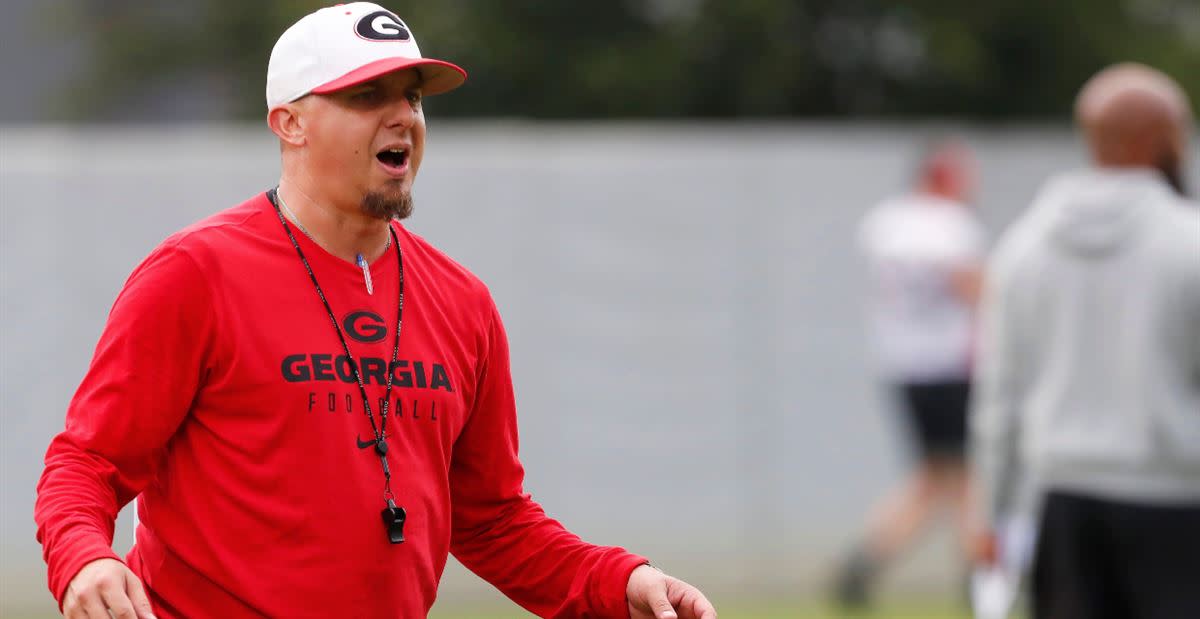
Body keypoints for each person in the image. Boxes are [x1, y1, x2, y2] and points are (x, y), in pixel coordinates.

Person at [33, 4, 718, 618]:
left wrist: (616, 580)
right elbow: (86, 461)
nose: (403, 118)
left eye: (412, 98)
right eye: (367, 96)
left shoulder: (463, 302)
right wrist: (84, 557)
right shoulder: (194, 274)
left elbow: (490, 518)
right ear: (290, 123)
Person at [970, 62, 1200, 619]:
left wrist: (990, 512)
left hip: (1062, 503)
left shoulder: (1023, 248)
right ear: (1161, 137)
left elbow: (1000, 395)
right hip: (1173, 499)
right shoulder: (1188, 243)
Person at [834, 140, 986, 607]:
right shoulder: (952, 225)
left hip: (901, 363)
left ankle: (866, 561)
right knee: (960, 475)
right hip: (947, 363)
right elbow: (971, 289)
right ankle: (980, 576)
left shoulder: (885, 222)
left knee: (939, 475)